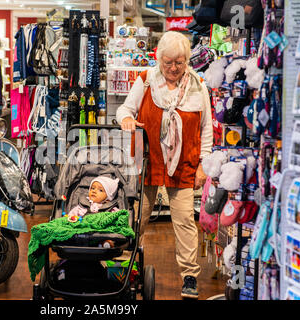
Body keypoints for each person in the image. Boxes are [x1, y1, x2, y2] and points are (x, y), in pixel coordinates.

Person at [116, 31, 213, 299]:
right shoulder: (145, 81)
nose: (173, 68)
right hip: (147, 162)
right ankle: (127, 266)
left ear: (187, 61)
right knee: (137, 219)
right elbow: (124, 110)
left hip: (184, 164)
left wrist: (203, 165)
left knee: (184, 222)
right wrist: (125, 119)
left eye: (179, 63)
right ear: (159, 59)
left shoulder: (198, 86)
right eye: (168, 62)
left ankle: (190, 277)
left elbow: (206, 129)